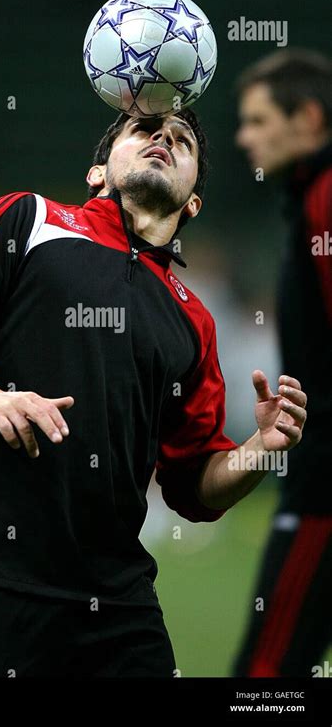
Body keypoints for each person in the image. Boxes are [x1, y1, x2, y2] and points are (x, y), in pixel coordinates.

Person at [0, 107, 307, 678]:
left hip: (119, 603)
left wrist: (258, 450)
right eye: (144, 129)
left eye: (182, 140)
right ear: (98, 172)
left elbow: (195, 485)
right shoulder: (28, 219)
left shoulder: (194, 320)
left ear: (193, 203)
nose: (163, 137)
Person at [232, 49, 332, 677]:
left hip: (325, 491)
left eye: (259, 120)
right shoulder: (310, 197)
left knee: (265, 678)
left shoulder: (326, 200)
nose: (244, 136)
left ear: (310, 118)